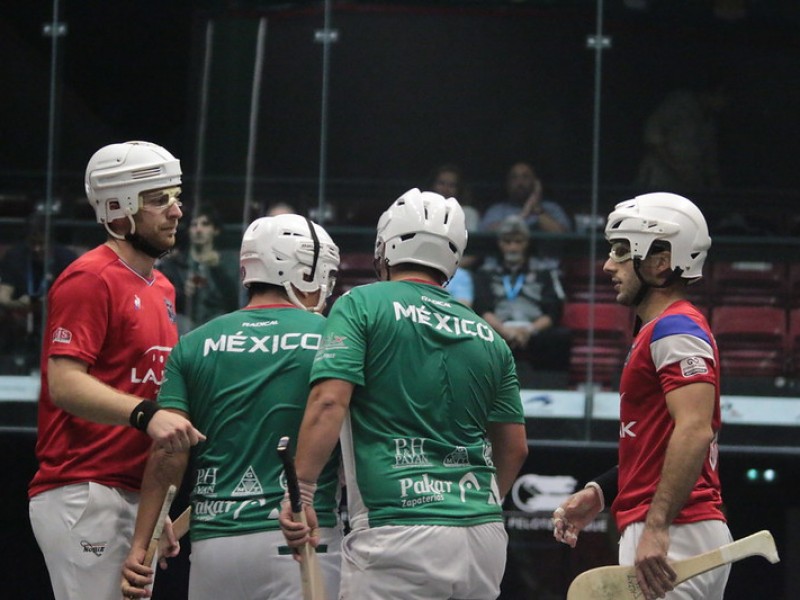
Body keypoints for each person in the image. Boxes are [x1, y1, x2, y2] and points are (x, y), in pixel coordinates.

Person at [279, 188, 529, 600]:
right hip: (482, 537)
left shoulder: (361, 304)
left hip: (397, 529)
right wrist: (467, 506)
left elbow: (328, 401)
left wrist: (301, 491)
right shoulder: (489, 335)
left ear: (384, 248)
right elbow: (514, 448)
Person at [121, 213, 344, 600]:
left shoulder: (192, 344)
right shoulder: (335, 339)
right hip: (303, 540)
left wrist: (143, 542)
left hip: (214, 547)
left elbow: (168, 451)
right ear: (307, 273)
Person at [27, 141, 206, 600]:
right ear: (118, 209)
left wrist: (153, 510)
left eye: (175, 196)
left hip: (129, 495)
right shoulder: (91, 278)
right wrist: (147, 415)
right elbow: (64, 383)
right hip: (83, 489)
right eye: (157, 199)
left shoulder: (162, 286)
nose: (176, 211)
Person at [552, 193, 732, 600]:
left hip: (676, 533)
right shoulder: (662, 331)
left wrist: (656, 526)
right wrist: (601, 492)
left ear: (661, 260)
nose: (607, 265)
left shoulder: (677, 329)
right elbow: (660, 442)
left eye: (620, 250)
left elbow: (694, 431)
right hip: (674, 528)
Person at [472, 215, 571, 378]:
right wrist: (505, 331)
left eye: (518, 242)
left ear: (527, 242)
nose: (513, 248)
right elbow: (482, 309)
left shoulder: (544, 272)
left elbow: (554, 311)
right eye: (507, 242)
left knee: (559, 339)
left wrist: (528, 331)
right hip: (498, 329)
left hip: (535, 329)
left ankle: (553, 387)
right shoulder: (486, 272)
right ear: (500, 243)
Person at [0, 212, 77, 368]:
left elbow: (74, 299)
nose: (36, 248)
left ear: (50, 241)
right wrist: (15, 304)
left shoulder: (66, 259)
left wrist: (44, 302)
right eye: (32, 243)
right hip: (20, 315)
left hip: (55, 316)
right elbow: (3, 295)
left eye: (41, 243)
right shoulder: (15, 256)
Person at [158, 205, 239, 333]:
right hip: (185, 324)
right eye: (194, 225)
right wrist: (184, 294)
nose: (199, 229)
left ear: (216, 230)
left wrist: (218, 269)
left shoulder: (229, 263)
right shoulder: (173, 263)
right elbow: (163, 303)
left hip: (219, 323)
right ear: (189, 230)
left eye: (205, 224)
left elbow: (236, 301)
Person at [636, 86, 728, 193]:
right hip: (660, 179)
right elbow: (653, 135)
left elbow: (710, 159)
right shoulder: (679, 104)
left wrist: (716, 188)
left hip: (689, 183)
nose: (725, 104)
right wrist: (676, 167)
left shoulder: (710, 121)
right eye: (725, 98)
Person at [479, 161, 572, 234]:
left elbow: (562, 234)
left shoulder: (552, 208)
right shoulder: (496, 210)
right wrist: (523, 215)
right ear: (507, 184)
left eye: (525, 177)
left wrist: (536, 209)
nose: (520, 182)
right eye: (514, 178)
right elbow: (488, 234)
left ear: (535, 183)